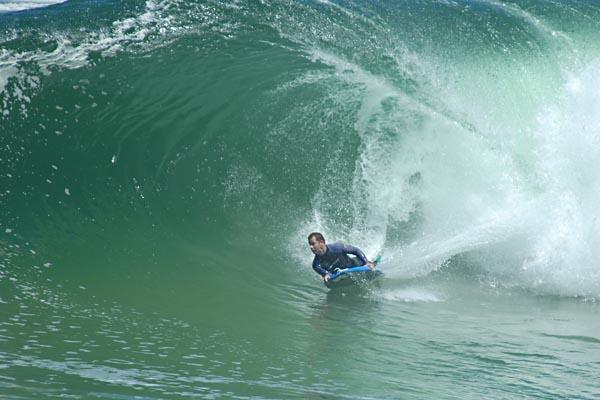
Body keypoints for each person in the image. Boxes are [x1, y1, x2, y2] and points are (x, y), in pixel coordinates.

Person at [308, 232, 375, 284]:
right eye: (310, 245)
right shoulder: (316, 265)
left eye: (313, 244)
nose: (311, 247)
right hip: (340, 275)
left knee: (365, 263)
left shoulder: (337, 247)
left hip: (354, 265)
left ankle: (372, 263)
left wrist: (366, 262)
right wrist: (326, 275)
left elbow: (356, 250)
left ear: (322, 242)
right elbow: (326, 274)